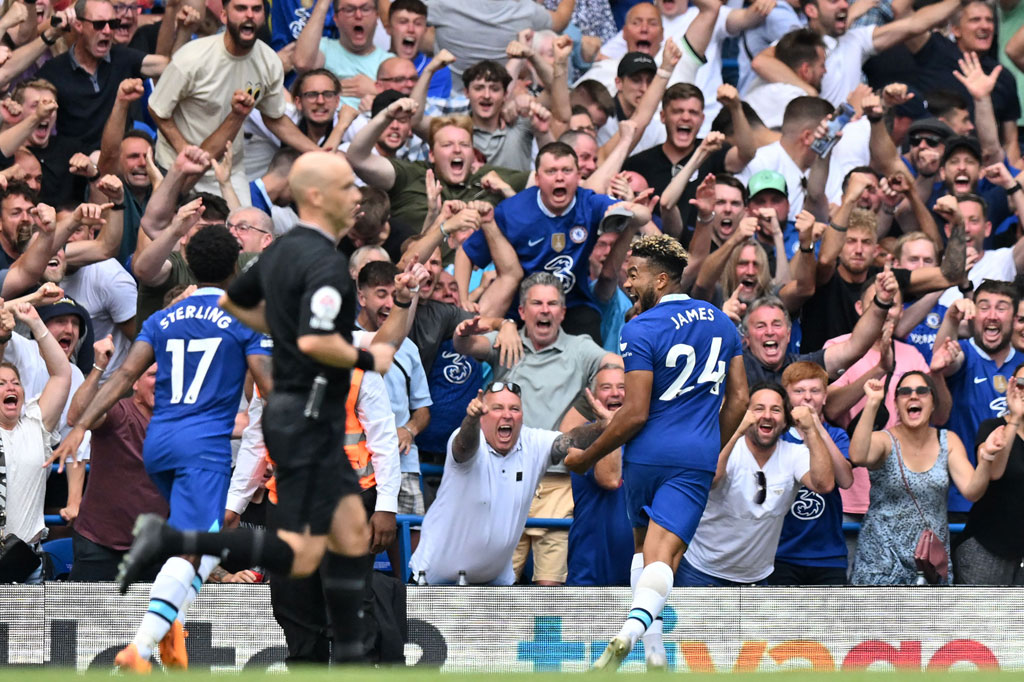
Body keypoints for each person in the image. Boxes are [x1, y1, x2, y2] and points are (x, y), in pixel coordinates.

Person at [111, 152, 401, 666]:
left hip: (324, 465)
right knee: (311, 595)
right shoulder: (299, 295)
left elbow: (379, 431)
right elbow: (268, 418)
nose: (357, 198)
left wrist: (385, 504)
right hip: (299, 465)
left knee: (332, 587)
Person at [50, 224, 274, 672]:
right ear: (236, 267)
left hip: (161, 445)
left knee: (192, 544)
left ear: (191, 264)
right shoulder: (246, 318)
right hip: (202, 446)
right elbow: (270, 388)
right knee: (203, 545)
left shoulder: (161, 319)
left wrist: (81, 428)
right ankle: (144, 644)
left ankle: (170, 630)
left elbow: (126, 377)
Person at [565, 234, 747, 671]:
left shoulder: (640, 328)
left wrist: (586, 457)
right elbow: (740, 398)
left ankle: (653, 655)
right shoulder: (723, 322)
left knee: (644, 552)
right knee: (664, 556)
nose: (628, 282)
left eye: (634, 275)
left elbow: (634, 415)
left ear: (661, 279)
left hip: (646, 456)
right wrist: (707, 443)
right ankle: (631, 633)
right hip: (691, 457)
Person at [409, 380, 611, 584]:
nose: (507, 415)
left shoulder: (533, 442)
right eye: (497, 408)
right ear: (482, 417)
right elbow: (464, 446)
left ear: (522, 417)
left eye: (514, 409)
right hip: (435, 581)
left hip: (495, 583)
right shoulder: (466, 439)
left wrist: (602, 427)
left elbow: (571, 439)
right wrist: (470, 420)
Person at [147, 0, 318, 199]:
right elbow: (157, 109)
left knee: (247, 226)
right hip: (176, 167)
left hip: (229, 169)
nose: (249, 15)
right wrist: (184, 149)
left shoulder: (269, 62)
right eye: (241, 8)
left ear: (264, 17)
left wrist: (318, 152)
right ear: (224, 15)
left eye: (256, 9)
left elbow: (275, 118)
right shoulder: (192, 57)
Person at [678, 382, 835, 586]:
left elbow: (823, 484)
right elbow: (710, 480)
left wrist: (811, 430)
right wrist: (736, 430)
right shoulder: (729, 448)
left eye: (776, 410)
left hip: (757, 577)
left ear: (786, 419)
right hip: (702, 571)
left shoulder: (794, 454)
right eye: (758, 408)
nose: (767, 415)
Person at [849, 371, 996, 584]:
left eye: (922, 391)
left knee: (929, 618)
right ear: (897, 404)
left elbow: (972, 491)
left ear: (933, 402)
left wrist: (987, 458)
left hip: (930, 566)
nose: (913, 396)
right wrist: (872, 403)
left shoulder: (948, 440)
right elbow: (858, 455)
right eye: (905, 392)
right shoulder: (884, 440)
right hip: (879, 564)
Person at [0, 302, 71, 584]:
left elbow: (62, 374)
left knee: (27, 630)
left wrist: (36, 324)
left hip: (26, 561)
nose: (10, 388)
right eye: (2, 383)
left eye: (15, 382)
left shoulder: (36, 424)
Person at [771, 362, 853, 584]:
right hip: (781, 554)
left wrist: (817, 429)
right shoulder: (776, 438)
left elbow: (845, 480)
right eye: (799, 391)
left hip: (828, 556)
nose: (807, 398)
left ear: (825, 397)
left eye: (815, 391)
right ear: (786, 398)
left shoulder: (836, 435)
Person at [563, 363, 634, 586]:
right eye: (606, 387)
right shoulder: (582, 436)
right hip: (590, 569)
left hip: (636, 568)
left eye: (622, 387)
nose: (615, 393)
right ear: (592, 396)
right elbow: (610, 479)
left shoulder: (647, 437)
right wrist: (610, 426)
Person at [955, 362, 1024, 584]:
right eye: (1021, 384)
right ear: (1011, 387)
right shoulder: (993, 427)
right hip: (988, 547)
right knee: (983, 619)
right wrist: (1014, 418)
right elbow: (994, 473)